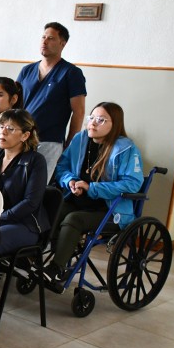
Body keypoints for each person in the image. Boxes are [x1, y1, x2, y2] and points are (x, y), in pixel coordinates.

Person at [43, 102, 143, 292]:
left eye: (101, 120)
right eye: (91, 118)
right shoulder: (80, 140)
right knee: (52, 210)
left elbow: (132, 183)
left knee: (73, 219)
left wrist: (92, 187)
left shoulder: (126, 149)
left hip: (110, 211)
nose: (93, 123)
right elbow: (62, 168)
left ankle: (56, 268)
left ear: (115, 124)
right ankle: (42, 258)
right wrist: (71, 181)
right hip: (77, 201)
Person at [0, 109, 48, 341]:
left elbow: (30, 203)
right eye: (1, 127)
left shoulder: (35, 161)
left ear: (25, 135)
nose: (2, 132)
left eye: (10, 129)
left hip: (26, 226)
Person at [17, 22, 87, 181]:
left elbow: (79, 112)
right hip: (21, 139)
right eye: (43, 37)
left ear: (63, 43)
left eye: (51, 38)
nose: (44, 42)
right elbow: (16, 105)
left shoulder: (71, 73)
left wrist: (69, 145)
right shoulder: (27, 70)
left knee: (36, 188)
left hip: (49, 141)